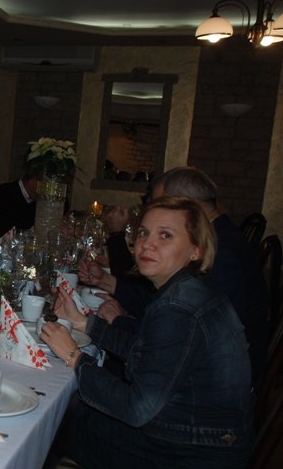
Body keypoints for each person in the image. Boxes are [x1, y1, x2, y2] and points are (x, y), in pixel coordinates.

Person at [42, 197, 252, 469]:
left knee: (54, 421)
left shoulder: (176, 306)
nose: (147, 244)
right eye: (143, 233)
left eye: (165, 235)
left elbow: (137, 409)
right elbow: (152, 354)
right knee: (73, 406)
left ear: (196, 250)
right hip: (206, 446)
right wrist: (84, 323)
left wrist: (74, 357)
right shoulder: (190, 289)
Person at [80, 167, 268, 389]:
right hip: (195, 370)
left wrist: (119, 322)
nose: (154, 211)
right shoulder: (219, 236)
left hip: (206, 387)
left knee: (95, 368)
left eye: (161, 204)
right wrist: (107, 282)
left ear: (186, 206)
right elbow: (161, 307)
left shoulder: (221, 254)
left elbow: (176, 340)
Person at [0, 172, 39, 241]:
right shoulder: (4, 192)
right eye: (43, 185)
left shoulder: (34, 201)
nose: (44, 191)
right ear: (32, 180)